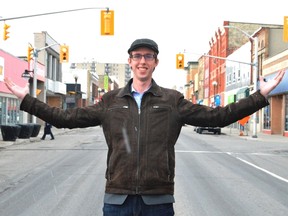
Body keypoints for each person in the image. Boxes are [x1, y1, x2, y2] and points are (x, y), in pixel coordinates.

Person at [4, 38, 285, 215]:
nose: (142, 61)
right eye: (137, 56)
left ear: (155, 63)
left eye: (148, 56)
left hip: (158, 200)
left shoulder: (172, 100)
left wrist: (260, 96)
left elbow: (218, 117)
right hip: (117, 199)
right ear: (130, 62)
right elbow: (65, 120)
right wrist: (26, 99)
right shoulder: (111, 101)